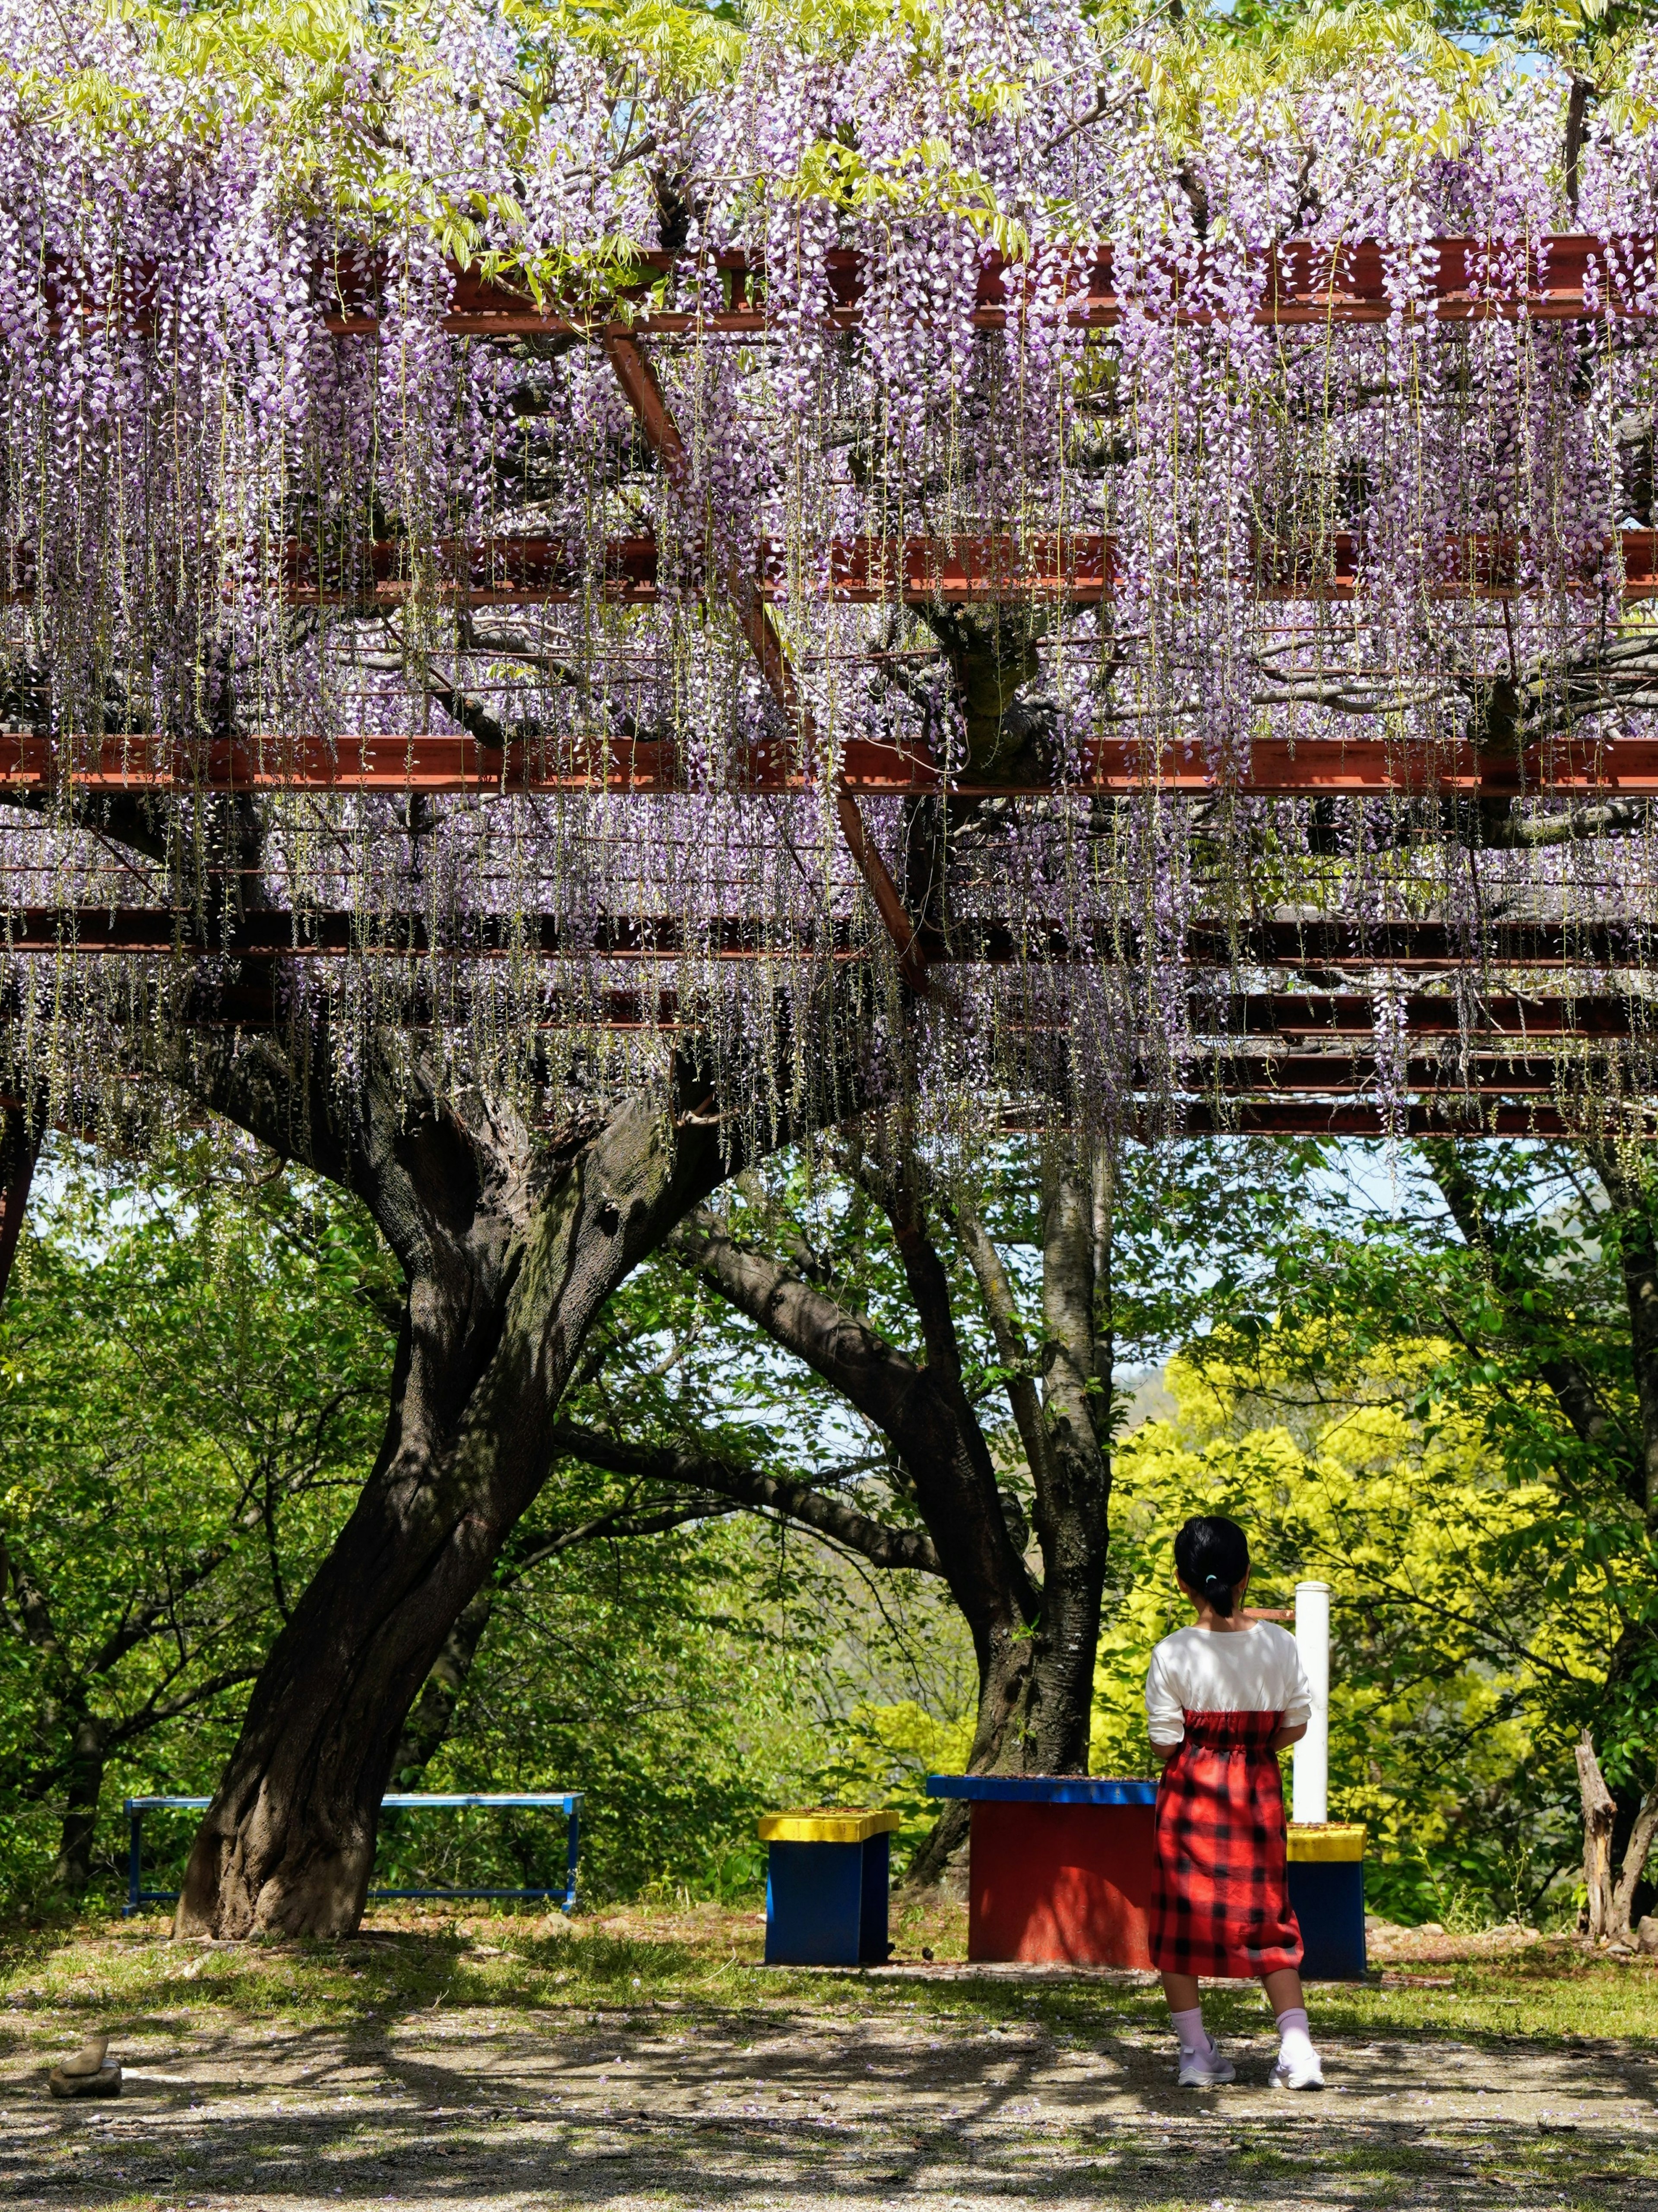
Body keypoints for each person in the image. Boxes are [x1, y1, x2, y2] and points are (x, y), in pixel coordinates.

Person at [1144, 1513, 1323, 2091]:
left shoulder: (1171, 1653)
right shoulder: (1279, 1643)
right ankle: (1298, 2053)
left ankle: (1197, 2054)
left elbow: (1164, 1741)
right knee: (1268, 1919)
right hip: (1256, 1800)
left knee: (1179, 1927)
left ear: (1181, 1581)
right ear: (1246, 1574)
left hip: (1189, 1803)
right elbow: (1296, 1723)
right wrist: (1253, 1747)